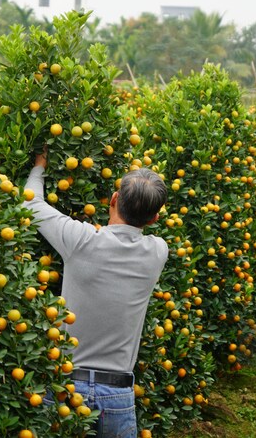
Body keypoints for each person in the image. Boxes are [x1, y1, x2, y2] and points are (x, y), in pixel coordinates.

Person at [24, 151, 169, 438]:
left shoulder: (80, 240)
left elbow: (32, 203)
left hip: (65, 388)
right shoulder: (157, 252)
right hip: (116, 394)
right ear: (153, 219)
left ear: (114, 200)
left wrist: (40, 166)